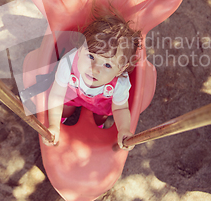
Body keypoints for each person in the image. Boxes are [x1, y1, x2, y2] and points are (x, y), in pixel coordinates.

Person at [42, 10, 142, 150]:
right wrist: (53, 125)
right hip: (73, 94)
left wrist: (124, 129)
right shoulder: (68, 63)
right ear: (80, 49)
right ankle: (63, 117)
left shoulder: (120, 83)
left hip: (100, 103)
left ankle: (97, 122)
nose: (94, 68)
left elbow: (120, 108)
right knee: (65, 107)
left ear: (120, 69)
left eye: (107, 65)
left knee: (100, 116)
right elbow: (57, 95)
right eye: (91, 56)